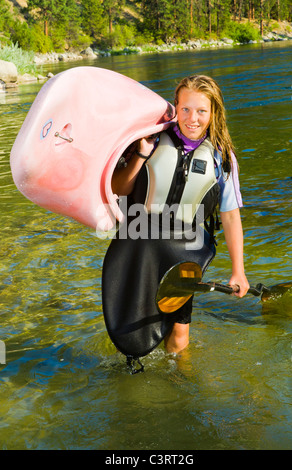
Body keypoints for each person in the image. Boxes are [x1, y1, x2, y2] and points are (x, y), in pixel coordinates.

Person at [110, 74, 249, 355]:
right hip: (139, 244)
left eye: (201, 111)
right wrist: (140, 154)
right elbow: (118, 188)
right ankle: (131, 377)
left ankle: (177, 382)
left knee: (180, 331)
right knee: (131, 322)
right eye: (185, 109)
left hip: (182, 252)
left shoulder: (221, 157)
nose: (193, 119)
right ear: (176, 106)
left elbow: (231, 216)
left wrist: (239, 271)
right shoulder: (150, 138)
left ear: (213, 112)